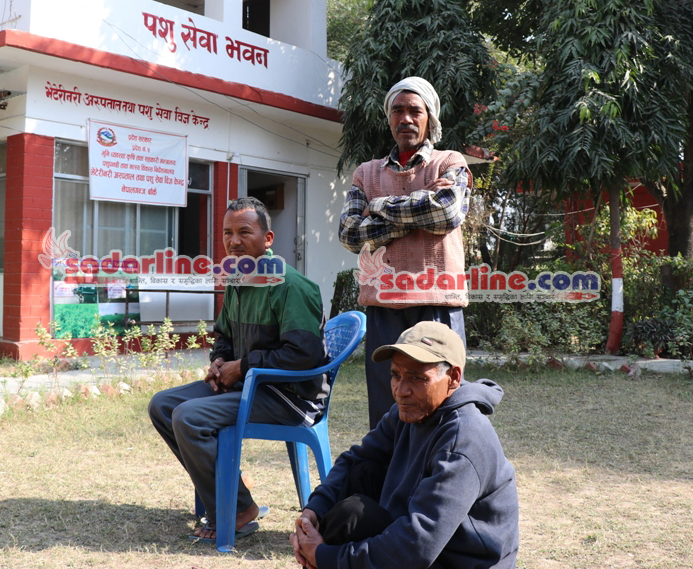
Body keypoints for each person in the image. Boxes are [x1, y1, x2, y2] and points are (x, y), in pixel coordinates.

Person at [148, 197, 329, 543]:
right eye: (227, 233)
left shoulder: (290, 286)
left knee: (188, 417)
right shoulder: (238, 279)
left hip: (289, 397)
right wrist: (219, 362)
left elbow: (304, 355)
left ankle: (238, 511)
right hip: (249, 386)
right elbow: (224, 337)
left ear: (268, 238)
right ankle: (233, 492)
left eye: (244, 232)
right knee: (163, 406)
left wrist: (243, 367)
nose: (233, 242)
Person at [290, 321, 519, 569]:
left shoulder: (464, 438)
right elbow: (354, 459)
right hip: (428, 545)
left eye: (417, 378)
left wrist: (325, 556)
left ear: (453, 378)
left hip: (459, 561)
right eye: (395, 375)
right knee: (361, 474)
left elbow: (418, 545)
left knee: (350, 519)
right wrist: (314, 511)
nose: (400, 390)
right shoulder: (410, 410)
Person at [338, 76, 473, 428]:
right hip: (384, 308)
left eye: (415, 110)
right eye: (397, 110)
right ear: (389, 118)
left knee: (442, 405)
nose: (406, 119)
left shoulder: (449, 162)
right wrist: (419, 208)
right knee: (388, 410)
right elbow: (350, 233)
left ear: (430, 118)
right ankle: (389, 481)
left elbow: (446, 213)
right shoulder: (366, 173)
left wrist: (380, 205)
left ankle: (439, 477)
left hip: (438, 300)